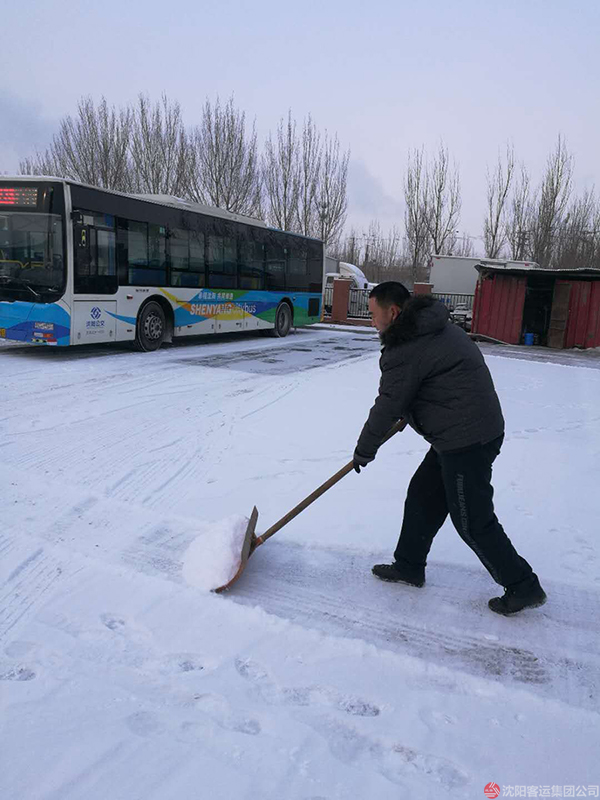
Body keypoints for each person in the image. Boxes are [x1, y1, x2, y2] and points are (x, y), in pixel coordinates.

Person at [353, 282, 546, 616]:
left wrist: (364, 449)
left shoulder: (407, 347)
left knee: (472, 520)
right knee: (423, 495)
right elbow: (436, 380)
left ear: (393, 312)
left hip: (467, 439)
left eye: (373, 314)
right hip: (463, 430)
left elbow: (388, 404)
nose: (372, 322)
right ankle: (409, 566)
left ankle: (523, 585)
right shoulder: (432, 326)